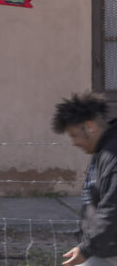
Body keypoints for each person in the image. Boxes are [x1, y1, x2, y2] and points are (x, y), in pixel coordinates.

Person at [52, 91, 117, 266]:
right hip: (104, 249)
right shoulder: (103, 150)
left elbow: (113, 208)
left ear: (89, 126)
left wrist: (87, 248)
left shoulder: (112, 153)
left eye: (74, 135)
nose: (74, 143)